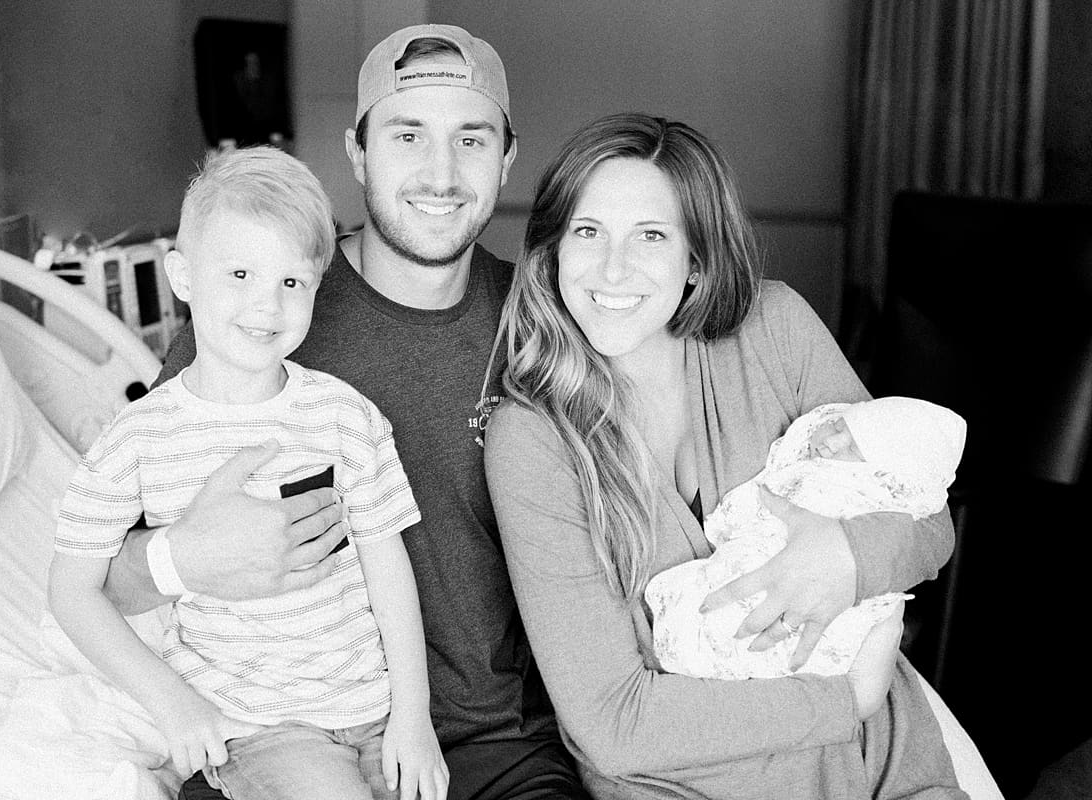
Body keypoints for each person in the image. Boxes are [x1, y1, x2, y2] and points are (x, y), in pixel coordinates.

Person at [103, 24, 591, 800]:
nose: (441, 172)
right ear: (358, 155)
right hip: (279, 741)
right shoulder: (268, 312)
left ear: (506, 159)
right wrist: (183, 556)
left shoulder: (542, 324)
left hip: (495, 747)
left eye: (470, 138)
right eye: (407, 136)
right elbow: (109, 581)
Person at [484, 113, 967, 798]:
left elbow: (929, 520)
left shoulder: (775, 328)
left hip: (879, 765)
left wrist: (846, 557)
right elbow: (611, 726)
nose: (612, 268)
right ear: (553, 251)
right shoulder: (531, 439)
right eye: (587, 233)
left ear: (697, 261)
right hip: (695, 783)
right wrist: (843, 700)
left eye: (651, 236)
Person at [48, 146, 447, 800]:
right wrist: (174, 704)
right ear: (181, 275)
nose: (266, 305)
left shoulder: (345, 417)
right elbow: (72, 592)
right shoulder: (140, 437)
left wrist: (414, 717)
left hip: (372, 712)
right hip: (261, 727)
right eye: (239, 273)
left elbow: (387, 568)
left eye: (291, 283)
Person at [648, 396, 967, 680]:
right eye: (837, 426)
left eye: (853, 448)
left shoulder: (863, 488)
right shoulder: (821, 460)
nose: (831, 442)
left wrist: (853, 557)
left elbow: (938, 531)